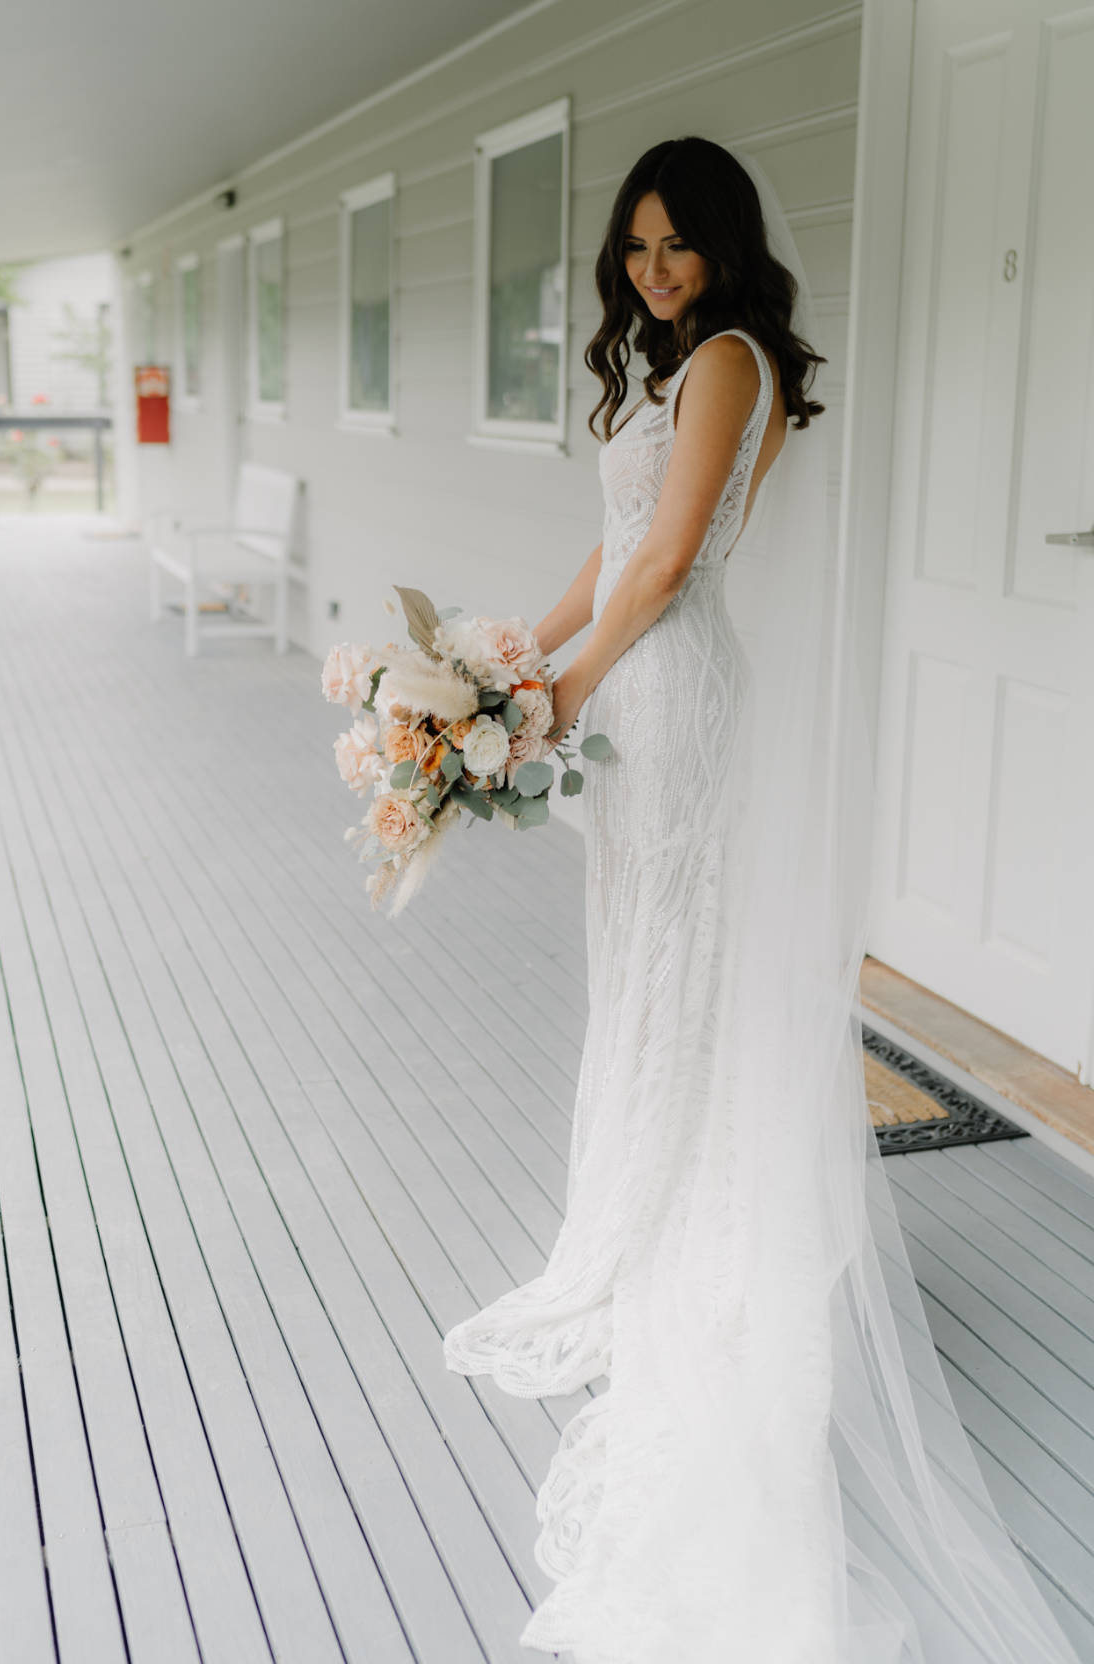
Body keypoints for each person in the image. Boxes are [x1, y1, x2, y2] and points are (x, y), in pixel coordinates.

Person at [443, 136, 1080, 1663]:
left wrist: (561, 698)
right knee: (648, 976)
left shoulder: (727, 361)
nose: (654, 272)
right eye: (637, 251)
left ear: (726, 248)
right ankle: (635, 1223)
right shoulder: (671, 368)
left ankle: (684, 1249)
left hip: (665, 696)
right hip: (624, 688)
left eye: (677, 246)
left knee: (677, 976)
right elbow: (606, 551)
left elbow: (661, 567)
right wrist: (507, 665)